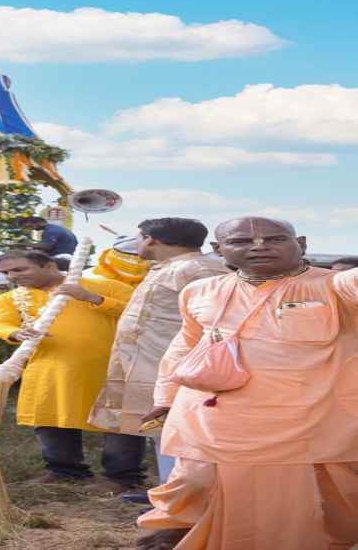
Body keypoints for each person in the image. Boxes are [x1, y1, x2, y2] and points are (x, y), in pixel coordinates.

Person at [137, 217, 358, 550]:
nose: (260, 247)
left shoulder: (336, 287)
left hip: (311, 420)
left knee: (321, 497)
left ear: (302, 243)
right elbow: (185, 345)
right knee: (194, 482)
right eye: (241, 242)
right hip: (213, 416)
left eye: (274, 239)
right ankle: (179, 538)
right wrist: (166, 396)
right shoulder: (200, 291)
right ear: (218, 249)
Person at [89, 218, 229, 496]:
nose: (137, 243)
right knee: (159, 432)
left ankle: (182, 498)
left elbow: (218, 322)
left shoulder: (198, 270)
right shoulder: (170, 268)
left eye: (138, 237)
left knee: (179, 433)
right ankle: (169, 491)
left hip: (175, 368)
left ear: (152, 239)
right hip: (147, 366)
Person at [0, 251, 140, 488]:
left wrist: (92, 298)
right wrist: (15, 332)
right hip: (49, 367)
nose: (12, 276)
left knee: (117, 420)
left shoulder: (106, 286)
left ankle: (121, 476)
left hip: (109, 366)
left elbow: (139, 313)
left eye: (19, 269)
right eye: (6, 272)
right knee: (51, 417)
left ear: (49, 265)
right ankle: (65, 471)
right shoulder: (8, 299)